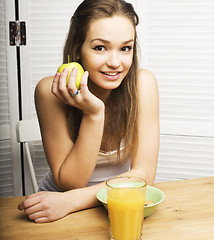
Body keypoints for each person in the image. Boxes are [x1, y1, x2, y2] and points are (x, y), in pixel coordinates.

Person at [18, 0, 159, 223]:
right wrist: (93, 115)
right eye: (100, 47)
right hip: (59, 209)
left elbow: (143, 176)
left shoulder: (143, 84)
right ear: (78, 49)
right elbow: (71, 183)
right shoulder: (49, 91)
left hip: (103, 204)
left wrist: (72, 201)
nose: (115, 62)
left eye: (125, 48)